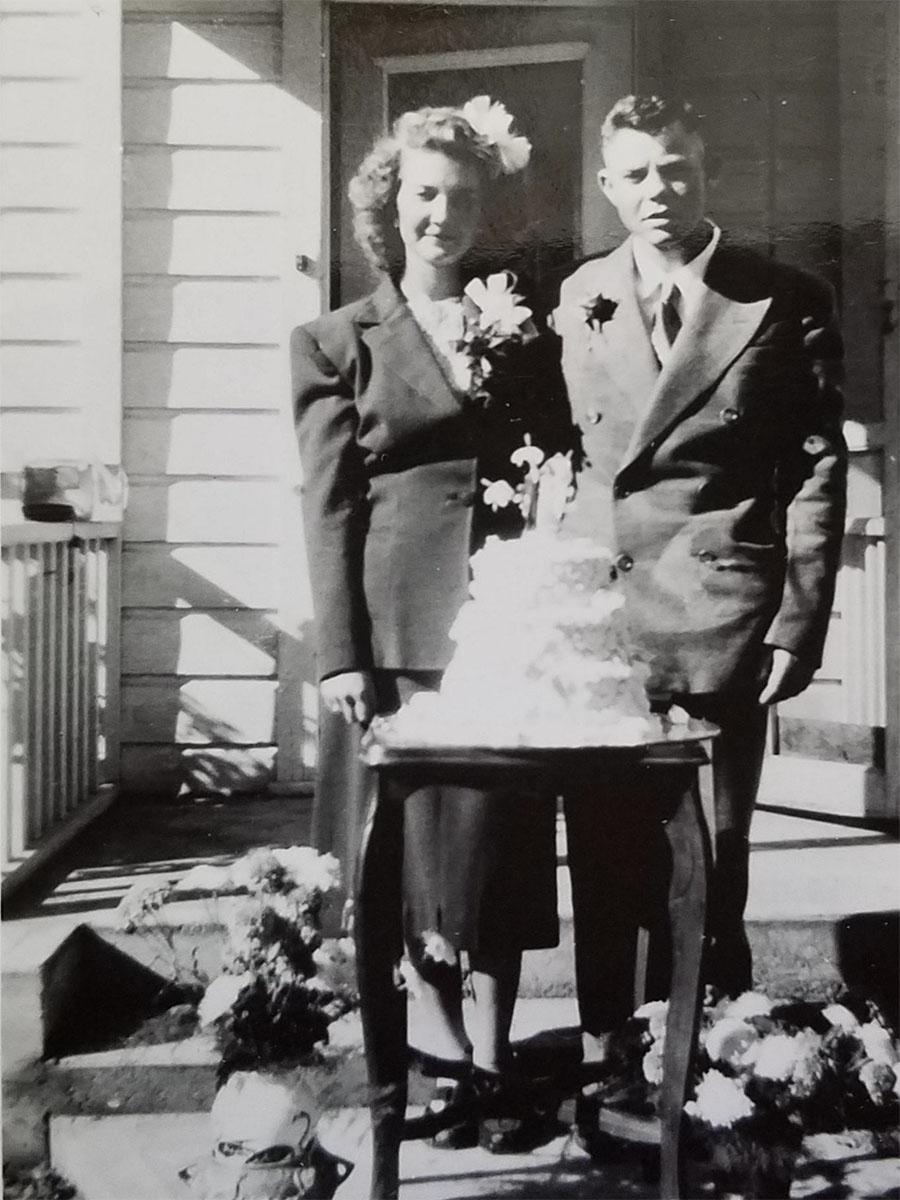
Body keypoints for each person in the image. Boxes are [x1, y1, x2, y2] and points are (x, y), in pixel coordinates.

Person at [552, 93, 847, 1140]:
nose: (656, 192)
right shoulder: (581, 295)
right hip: (606, 625)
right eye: (634, 174)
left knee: (710, 856)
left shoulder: (778, 297)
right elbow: (572, 465)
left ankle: (713, 1063)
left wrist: (798, 620)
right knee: (604, 854)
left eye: (674, 169)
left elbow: (815, 464)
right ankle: (611, 1064)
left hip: (723, 612)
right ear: (606, 184)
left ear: (705, 170)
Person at [292, 100, 566, 1151]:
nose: (441, 215)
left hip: (503, 630)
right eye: (422, 194)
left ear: (482, 209)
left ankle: (493, 1066)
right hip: (395, 637)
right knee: (404, 866)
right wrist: (339, 658)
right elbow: (329, 508)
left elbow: (555, 463)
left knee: (497, 854)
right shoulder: (333, 343)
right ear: (388, 204)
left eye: (461, 196)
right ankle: (441, 1060)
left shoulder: (524, 326)